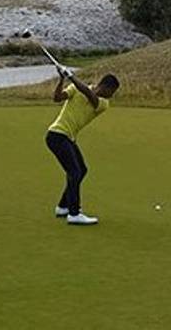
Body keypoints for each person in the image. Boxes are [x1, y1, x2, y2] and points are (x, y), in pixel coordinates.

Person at [45, 67, 120, 226]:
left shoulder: (103, 104)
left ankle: (63, 206)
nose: (112, 96)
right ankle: (74, 213)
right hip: (57, 135)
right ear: (106, 87)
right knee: (74, 171)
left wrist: (71, 77)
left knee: (81, 170)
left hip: (67, 137)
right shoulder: (74, 88)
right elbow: (57, 98)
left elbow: (88, 93)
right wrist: (62, 79)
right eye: (112, 92)